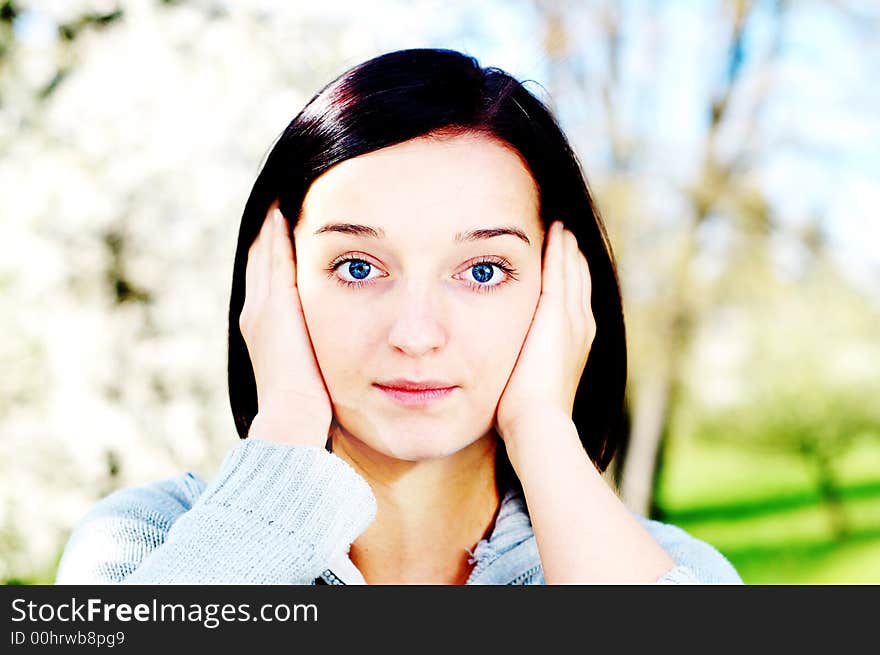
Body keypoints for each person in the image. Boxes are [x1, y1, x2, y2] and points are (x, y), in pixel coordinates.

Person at [55, 48, 742, 585]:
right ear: (277, 282)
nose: (416, 334)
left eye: (482, 271)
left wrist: (543, 431)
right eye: (358, 267)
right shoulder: (143, 542)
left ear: (560, 290)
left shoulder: (664, 568)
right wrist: (288, 431)